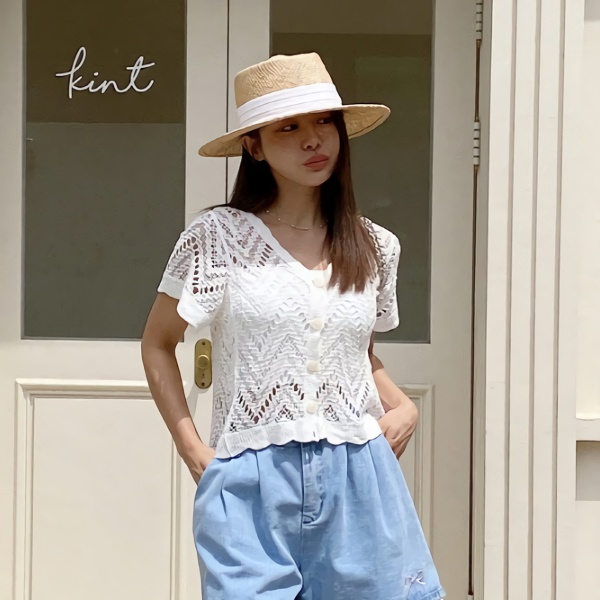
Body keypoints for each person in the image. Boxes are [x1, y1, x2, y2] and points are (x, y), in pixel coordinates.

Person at [141, 52, 446, 600]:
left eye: (323, 121)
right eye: (288, 127)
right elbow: (158, 343)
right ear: (254, 146)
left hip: (359, 474)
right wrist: (194, 451)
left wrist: (404, 407)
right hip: (250, 477)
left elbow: (356, 355)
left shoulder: (375, 245)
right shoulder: (218, 237)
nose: (312, 139)